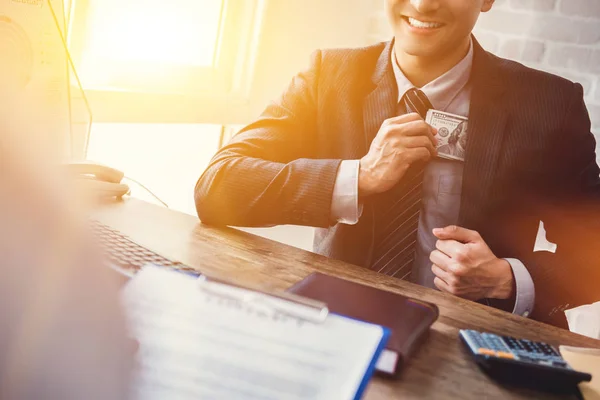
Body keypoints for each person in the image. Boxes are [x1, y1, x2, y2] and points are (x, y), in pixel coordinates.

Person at [195, 0, 600, 321]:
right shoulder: (327, 77)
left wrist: (507, 279)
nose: (423, 4)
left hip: (476, 341)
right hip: (339, 323)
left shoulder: (549, 104)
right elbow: (217, 186)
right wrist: (359, 176)